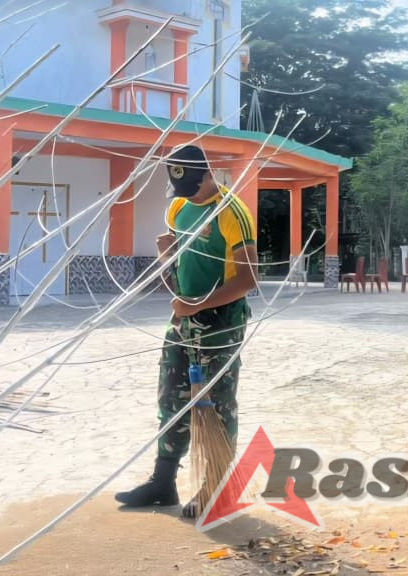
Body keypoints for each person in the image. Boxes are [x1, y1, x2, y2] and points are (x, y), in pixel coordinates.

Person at [115, 144, 258, 520]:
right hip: (184, 318)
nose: (189, 194)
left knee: (216, 404)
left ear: (208, 173)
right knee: (171, 396)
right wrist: (169, 254)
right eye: (182, 188)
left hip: (221, 322)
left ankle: (219, 488)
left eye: (194, 185)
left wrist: (199, 304)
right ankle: (163, 482)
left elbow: (248, 279)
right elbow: (181, 261)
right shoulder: (179, 207)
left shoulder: (232, 213)